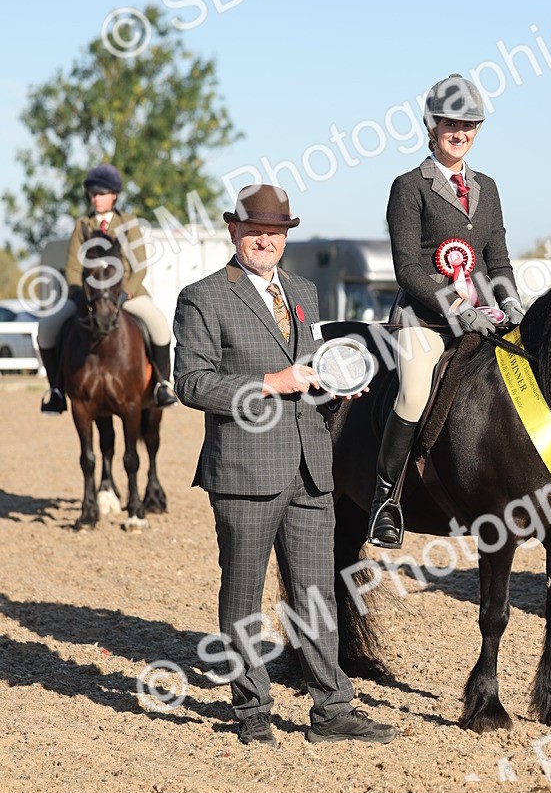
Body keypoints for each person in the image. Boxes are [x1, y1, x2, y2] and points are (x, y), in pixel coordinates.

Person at [172, 183, 396, 746]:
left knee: (316, 593)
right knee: (243, 597)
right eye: (254, 231)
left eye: (274, 232)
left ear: (285, 236)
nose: (264, 240)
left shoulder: (303, 291)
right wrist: (274, 383)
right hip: (244, 470)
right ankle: (251, 709)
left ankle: (331, 708)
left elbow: (310, 370)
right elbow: (192, 384)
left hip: (311, 465)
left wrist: (337, 387)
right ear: (234, 233)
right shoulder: (202, 297)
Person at [367, 73, 523, 549]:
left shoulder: (488, 188)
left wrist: (511, 300)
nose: (460, 133)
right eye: (451, 124)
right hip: (426, 319)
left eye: (469, 125)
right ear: (431, 127)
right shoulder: (409, 186)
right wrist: (457, 307)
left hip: (485, 319)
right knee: (414, 394)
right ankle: (385, 500)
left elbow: (497, 257)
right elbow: (408, 268)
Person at [38, 164, 177, 413]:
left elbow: (140, 265)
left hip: (126, 294)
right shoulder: (82, 224)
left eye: (101, 193)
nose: (96, 198)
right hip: (89, 296)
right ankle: (56, 389)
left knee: (159, 325)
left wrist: (127, 292)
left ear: (114, 195)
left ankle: (161, 385)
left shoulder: (129, 222)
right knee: (47, 328)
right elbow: (72, 267)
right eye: (92, 194)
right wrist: (80, 293)